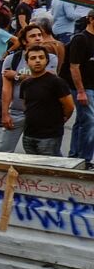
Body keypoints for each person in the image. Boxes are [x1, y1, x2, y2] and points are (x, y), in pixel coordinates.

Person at [17, 46, 73, 156]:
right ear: (27, 62)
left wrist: (62, 120)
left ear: (46, 60)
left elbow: (69, 107)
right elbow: (26, 105)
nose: (37, 60)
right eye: (33, 58)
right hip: (29, 135)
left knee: (50, 168)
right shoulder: (25, 84)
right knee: (33, 168)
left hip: (50, 136)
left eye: (41, 57)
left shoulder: (56, 82)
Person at [61, 13, 94, 164]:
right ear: (91, 19)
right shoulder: (81, 39)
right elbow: (74, 67)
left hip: (90, 87)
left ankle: (75, 156)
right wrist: (80, 91)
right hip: (84, 88)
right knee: (90, 122)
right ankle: (84, 159)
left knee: (82, 121)